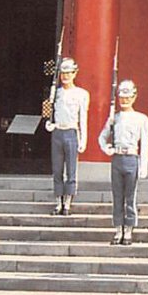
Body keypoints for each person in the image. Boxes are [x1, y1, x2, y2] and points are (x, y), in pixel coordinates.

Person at [98, 80, 148, 245]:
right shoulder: (114, 118)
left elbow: (145, 145)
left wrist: (143, 166)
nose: (125, 100)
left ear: (134, 97)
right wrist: (107, 149)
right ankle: (118, 228)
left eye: (128, 97)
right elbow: (102, 137)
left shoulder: (141, 119)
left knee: (130, 196)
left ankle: (128, 229)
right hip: (117, 159)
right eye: (122, 97)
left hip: (132, 159)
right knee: (117, 195)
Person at [45, 57, 89, 216]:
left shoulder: (81, 94)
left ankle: (68, 202)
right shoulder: (55, 93)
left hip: (71, 132)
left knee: (71, 169)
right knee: (57, 169)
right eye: (62, 73)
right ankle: (58, 202)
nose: (65, 76)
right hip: (58, 132)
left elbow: (83, 118)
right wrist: (50, 123)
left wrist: (83, 139)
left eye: (68, 73)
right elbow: (50, 112)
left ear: (75, 73)